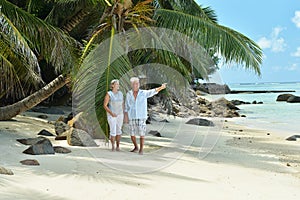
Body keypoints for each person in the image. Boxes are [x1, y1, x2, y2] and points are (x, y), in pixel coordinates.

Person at [124, 77, 166, 155]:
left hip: (141, 116)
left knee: (141, 133)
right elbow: (126, 106)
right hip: (132, 116)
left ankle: (141, 149)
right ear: (131, 85)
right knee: (132, 133)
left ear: (139, 84)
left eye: (137, 83)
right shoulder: (128, 94)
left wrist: (161, 87)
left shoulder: (143, 93)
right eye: (134, 84)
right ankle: (136, 147)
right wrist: (126, 116)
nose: (135, 85)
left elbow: (153, 91)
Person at [103, 79, 124, 151]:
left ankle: (118, 146)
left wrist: (124, 113)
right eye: (116, 84)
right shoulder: (109, 94)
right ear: (112, 85)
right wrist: (111, 113)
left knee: (119, 131)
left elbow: (122, 104)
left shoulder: (120, 93)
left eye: (118, 84)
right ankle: (113, 146)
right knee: (113, 131)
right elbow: (105, 105)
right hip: (112, 115)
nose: (118, 85)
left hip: (120, 115)